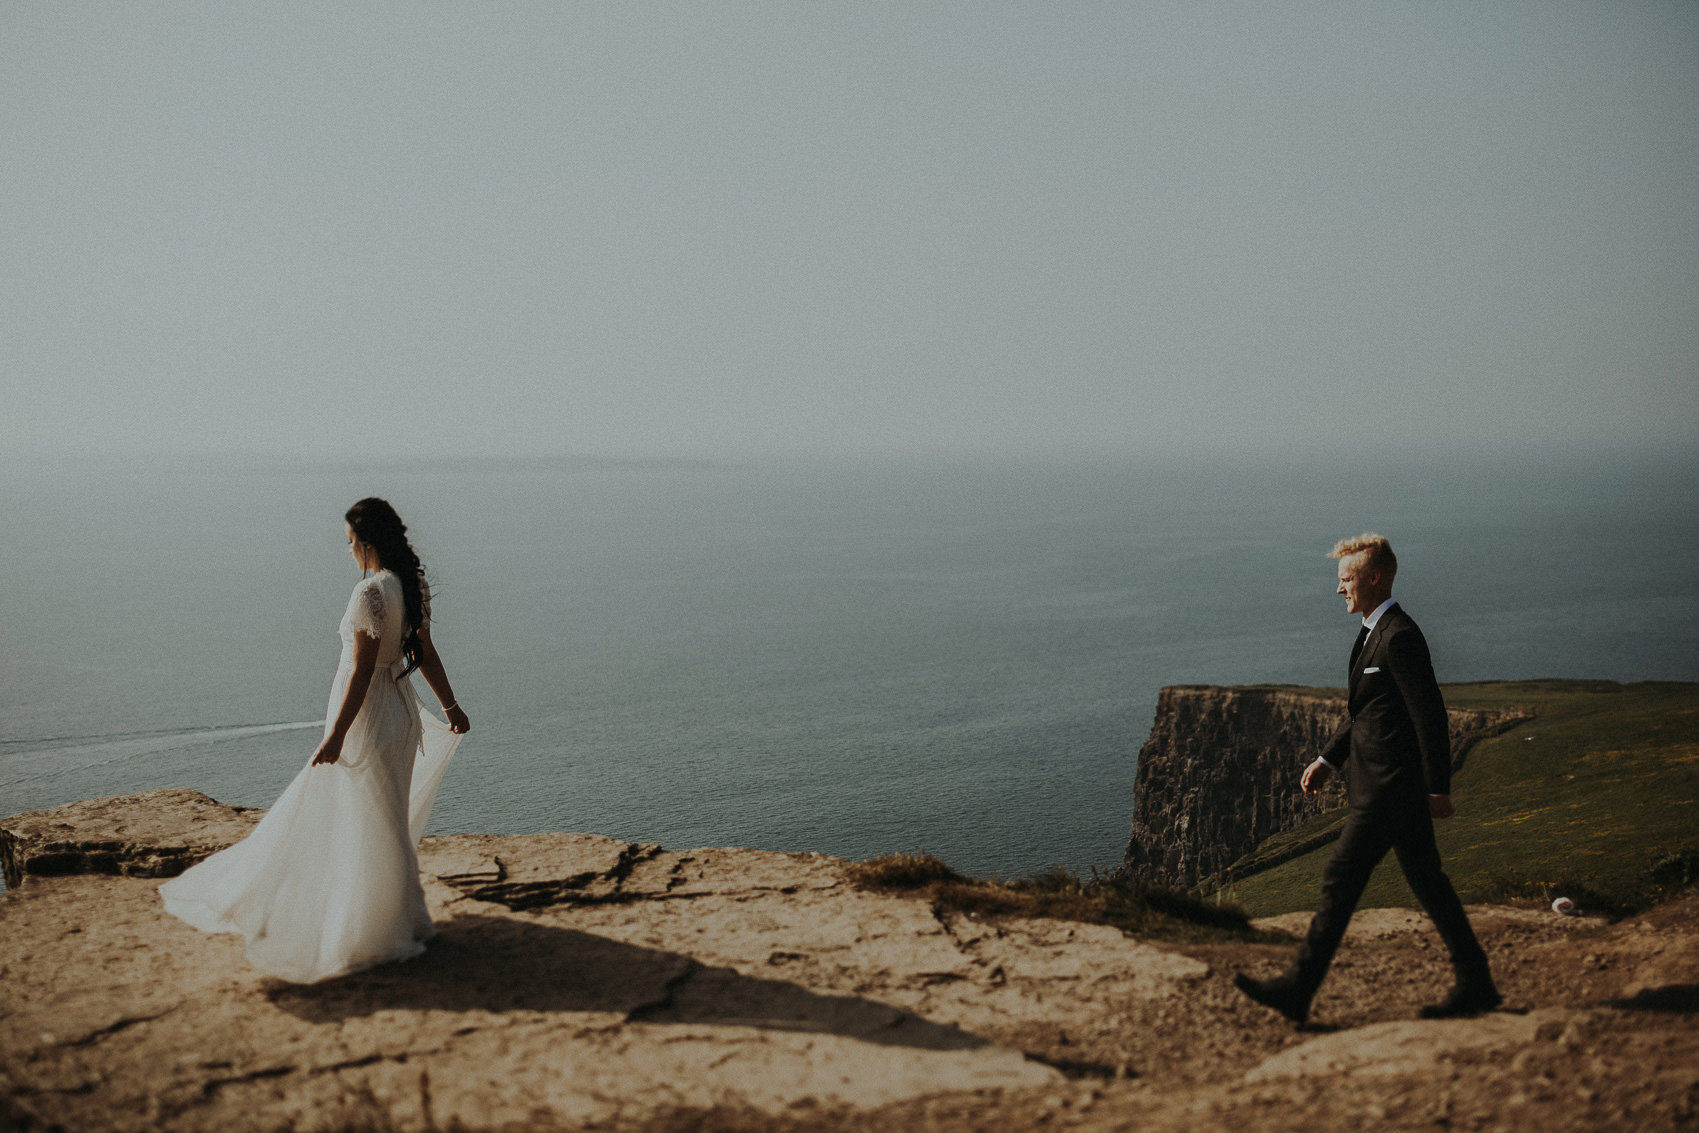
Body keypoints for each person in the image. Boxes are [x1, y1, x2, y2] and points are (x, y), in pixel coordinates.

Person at [160, 498, 471, 983]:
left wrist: (336, 736)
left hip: (367, 714)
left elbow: (362, 671)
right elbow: (425, 653)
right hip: (402, 710)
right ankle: (398, 921)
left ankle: (368, 928)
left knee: (360, 816)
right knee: (386, 816)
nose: (348, 551)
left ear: (366, 544)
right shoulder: (411, 586)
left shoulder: (369, 593)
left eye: (350, 543)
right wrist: (451, 707)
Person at [1233, 533, 1499, 1024]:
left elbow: (1430, 716)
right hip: (1385, 787)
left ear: (1373, 577)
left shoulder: (1399, 636)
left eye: (1346, 579)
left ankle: (1297, 988)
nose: (1339, 590)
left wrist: (1438, 789)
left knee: (1339, 877)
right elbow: (1367, 710)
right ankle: (1476, 981)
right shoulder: (1374, 631)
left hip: (1388, 791)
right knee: (1429, 882)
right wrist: (1328, 759)